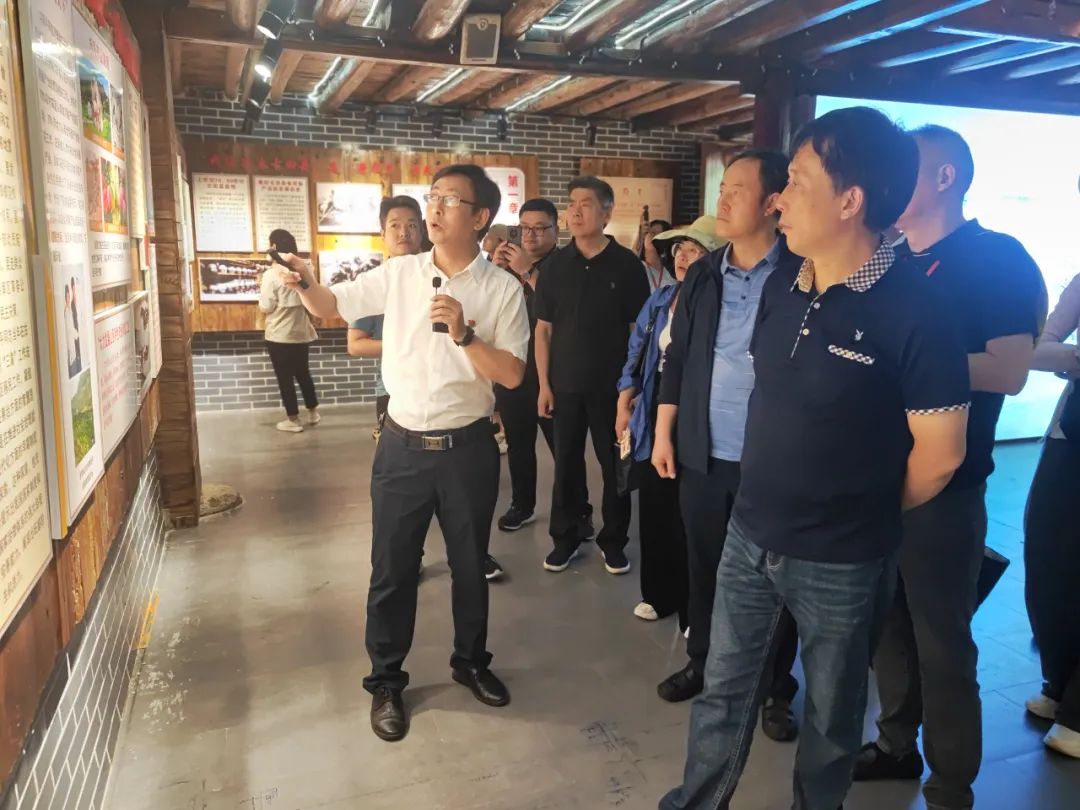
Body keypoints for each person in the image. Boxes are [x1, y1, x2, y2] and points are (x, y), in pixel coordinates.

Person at [660, 107, 971, 810]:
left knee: (831, 717)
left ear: (850, 200)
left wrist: (856, 508)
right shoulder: (784, 283)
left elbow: (940, 456)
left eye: (797, 182)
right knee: (722, 694)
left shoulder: (918, 311)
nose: (779, 200)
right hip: (750, 535)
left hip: (843, 559)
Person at [278, 164, 530, 743]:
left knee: (470, 567)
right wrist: (306, 281)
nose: (434, 208)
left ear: (481, 217)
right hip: (402, 448)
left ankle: (471, 661)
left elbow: (513, 375)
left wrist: (466, 336)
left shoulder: (502, 289)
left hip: (468, 449)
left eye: (450, 200)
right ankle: (387, 681)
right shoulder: (400, 273)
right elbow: (329, 306)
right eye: (432, 197)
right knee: (392, 569)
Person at [855, 126, 1047, 810]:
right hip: (877, 476)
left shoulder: (996, 258)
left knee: (942, 638)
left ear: (945, 178)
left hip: (948, 481)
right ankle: (895, 744)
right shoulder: (887, 259)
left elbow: (1009, 370)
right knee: (887, 624)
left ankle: (951, 781)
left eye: (905, 168)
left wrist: (901, 360)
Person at [651, 150, 802, 744]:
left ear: (772, 202)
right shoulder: (704, 274)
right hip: (703, 452)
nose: (724, 197)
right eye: (724, 187)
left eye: (739, 188)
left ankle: (776, 688)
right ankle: (704, 662)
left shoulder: (801, 273)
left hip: (773, 459)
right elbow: (677, 358)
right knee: (705, 564)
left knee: (776, 578)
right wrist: (664, 432)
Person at [535, 177, 650, 574]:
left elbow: (638, 331)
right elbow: (543, 330)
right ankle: (566, 537)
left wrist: (632, 387)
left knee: (614, 466)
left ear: (607, 212)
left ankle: (614, 541)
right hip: (564, 387)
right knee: (565, 466)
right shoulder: (554, 266)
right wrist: (544, 385)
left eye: (585, 203)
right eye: (571, 203)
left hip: (612, 390)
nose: (575, 211)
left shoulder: (627, 266)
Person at [616, 217, 721, 627]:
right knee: (655, 504)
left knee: (691, 511)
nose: (683, 257)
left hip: (697, 410)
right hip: (653, 402)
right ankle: (659, 593)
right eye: (679, 249)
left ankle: (696, 607)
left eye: (695, 250)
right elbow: (636, 349)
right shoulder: (661, 298)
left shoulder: (719, 302)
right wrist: (624, 398)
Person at [490, 198, 589, 532]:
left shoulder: (568, 264)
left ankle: (578, 511)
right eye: (524, 228)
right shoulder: (504, 266)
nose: (530, 236)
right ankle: (522, 505)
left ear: (555, 230)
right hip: (514, 370)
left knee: (565, 450)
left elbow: (567, 314)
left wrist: (528, 272)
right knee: (519, 445)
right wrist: (492, 272)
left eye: (539, 228)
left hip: (554, 374)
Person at [1023, 271, 1080, 759]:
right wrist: (1073, 358)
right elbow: (1038, 348)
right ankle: (1060, 683)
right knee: (1047, 561)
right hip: (1070, 437)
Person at [348, 196, 424, 440]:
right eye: (395, 225)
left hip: (438, 386)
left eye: (412, 225)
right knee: (395, 457)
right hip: (393, 390)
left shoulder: (441, 277)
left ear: (422, 231)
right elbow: (355, 344)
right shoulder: (372, 283)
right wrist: (407, 345)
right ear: (383, 233)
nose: (404, 232)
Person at [260, 229, 320, 433]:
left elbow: (266, 305)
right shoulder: (305, 268)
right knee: (303, 373)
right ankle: (313, 412)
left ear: (274, 247)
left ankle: (293, 420)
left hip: (279, 334)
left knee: (284, 377)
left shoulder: (271, 275)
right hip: (301, 331)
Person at [634, 217, 675, 289]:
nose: (653, 237)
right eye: (652, 232)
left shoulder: (672, 274)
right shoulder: (637, 267)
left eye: (659, 234)